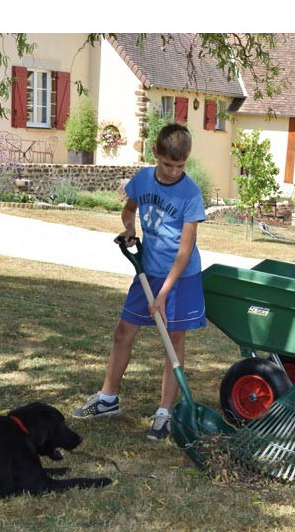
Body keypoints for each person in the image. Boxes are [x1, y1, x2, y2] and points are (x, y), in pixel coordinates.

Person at [73, 123, 206, 441]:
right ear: (155, 154)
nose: (174, 172)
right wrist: (130, 228)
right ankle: (108, 399)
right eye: (168, 164)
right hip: (148, 270)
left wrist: (163, 294)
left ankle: (165, 413)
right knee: (123, 332)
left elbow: (184, 251)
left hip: (180, 276)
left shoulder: (191, 194)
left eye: (180, 165)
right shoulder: (143, 179)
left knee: (173, 341)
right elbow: (129, 210)